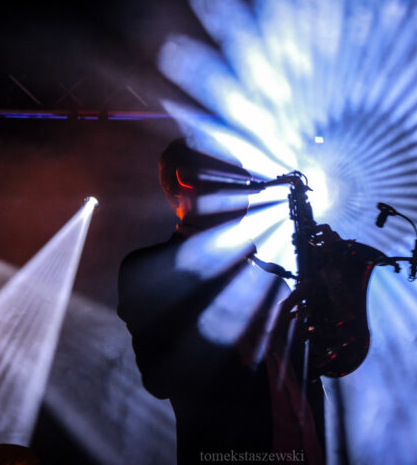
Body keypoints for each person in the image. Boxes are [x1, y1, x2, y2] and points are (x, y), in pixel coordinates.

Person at [117, 138, 325, 464]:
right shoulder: (149, 269)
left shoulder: (272, 276)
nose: (248, 180)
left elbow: (315, 367)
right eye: (233, 171)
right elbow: (160, 378)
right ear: (187, 178)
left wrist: (335, 290)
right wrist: (248, 336)